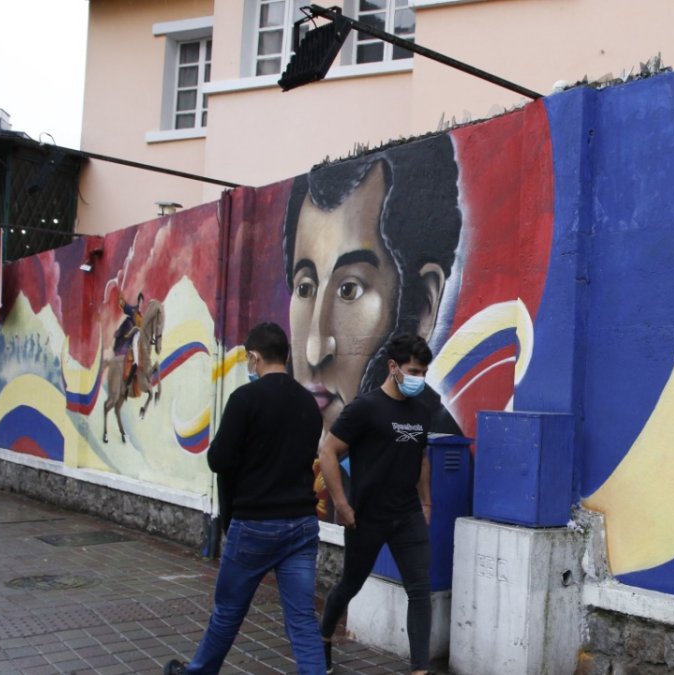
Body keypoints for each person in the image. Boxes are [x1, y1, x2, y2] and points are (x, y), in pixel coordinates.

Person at [164, 323, 325, 675]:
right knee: (301, 620)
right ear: (285, 355)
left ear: (253, 357)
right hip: (301, 525)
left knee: (228, 612)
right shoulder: (308, 403)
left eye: (248, 360)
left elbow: (219, 460)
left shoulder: (244, 399)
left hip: (255, 524)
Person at [282, 136, 463, 438]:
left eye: (349, 290)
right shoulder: (287, 427)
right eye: (305, 288)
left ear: (423, 307)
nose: (314, 351)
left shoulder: (429, 427)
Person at [318, 333, 436, 675]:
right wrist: (341, 503)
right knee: (350, 585)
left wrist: (426, 502)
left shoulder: (422, 412)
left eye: (423, 373)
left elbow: (422, 458)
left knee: (419, 589)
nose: (419, 379)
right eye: (413, 371)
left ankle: (419, 669)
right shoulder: (365, 408)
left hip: (408, 515)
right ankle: (324, 636)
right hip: (366, 517)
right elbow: (328, 452)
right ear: (393, 366)